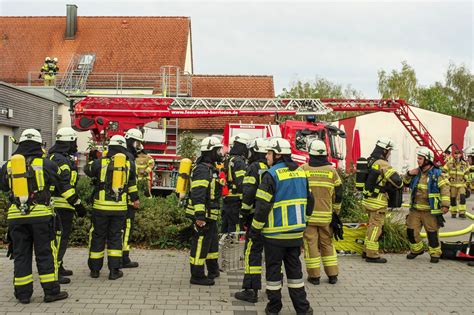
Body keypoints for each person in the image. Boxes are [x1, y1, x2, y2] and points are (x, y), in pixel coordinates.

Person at [0, 129, 70, 304]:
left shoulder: (8, 165)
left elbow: (4, 188)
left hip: (16, 216)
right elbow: (60, 185)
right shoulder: (47, 164)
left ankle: (23, 294)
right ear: (39, 145)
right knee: (45, 254)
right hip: (41, 216)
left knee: (21, 255)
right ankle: (51, 292)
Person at [250, 137, 313, 315]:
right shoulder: (301, 173)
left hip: (274, 236)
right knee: (295, 273)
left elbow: (262, 206)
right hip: (295, 235)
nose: (266, 157)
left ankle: (273, 308)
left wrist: (255, 229)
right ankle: (303, 308)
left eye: (269, 153)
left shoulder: (271, 175)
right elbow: (310, 201)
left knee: (273, 274)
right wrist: (304, 222)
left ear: (277, 155)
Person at [85, 135, 139, 280]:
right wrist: (135, 199)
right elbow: (132, 185)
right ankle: (114, 271)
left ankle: (95, 270)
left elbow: (87, 170)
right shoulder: (129, 164)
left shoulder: (100, 163)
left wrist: (92, 158)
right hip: (120, 208)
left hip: (100, 208)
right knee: (116, 237)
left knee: (98, 237)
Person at [301, 139, 343, 285]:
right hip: (326, 216)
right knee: (327, 244)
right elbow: (339, 192)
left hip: (309, 216)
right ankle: (332, 275)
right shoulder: (332, 171)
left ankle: (314, 277)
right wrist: (335, 211)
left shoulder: (303, 169)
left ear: (310, 153)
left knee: (311, 244)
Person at [48, 127, 86, 284]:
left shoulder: (53, 157)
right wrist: (77, 204)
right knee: (60, 239)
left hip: (56, 205)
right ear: (69, 142)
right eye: (74, 142)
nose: (75, 145)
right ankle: (55, 271)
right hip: (62, 206)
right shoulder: (62, 160)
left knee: (57, 239)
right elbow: (65, 185)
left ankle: (59, 265)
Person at [186, 136, 224, 285]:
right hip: (203, 215)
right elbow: (198, 194)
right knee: (201, 244)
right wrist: (199, 216)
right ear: (210, 151)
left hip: (210, 215)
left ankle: (213, 269)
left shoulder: (210, 168)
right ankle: (197, 275)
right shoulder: (202, 170)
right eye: (217, 150)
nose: (219, 153)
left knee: (212, 243)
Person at [234, 138, 268, 303]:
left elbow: (248, 194)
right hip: (274, 221)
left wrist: (243, 214)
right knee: (273, 256)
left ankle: (251, 290)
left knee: (252, 252)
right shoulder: (273, 167)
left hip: (256, 218)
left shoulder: (254, 168)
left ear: (254, 151)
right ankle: (273, 288)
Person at [403, 147, 450, 263]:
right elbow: (404, 183)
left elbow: (445, 189)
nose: (418, 161)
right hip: (415, 210)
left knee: (432, 234)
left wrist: (445, 205)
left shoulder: (437, 174)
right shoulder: (416, 173)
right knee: (410, 231)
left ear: (427, 160)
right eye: (417, 158)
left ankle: (435, 253)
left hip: (430, 210)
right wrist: (409, 173)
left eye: (420, 158)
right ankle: (417, 250)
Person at [361, 137, 403, 263]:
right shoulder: (382, 163)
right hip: (378, 202)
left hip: (369, 200)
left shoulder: (370, 160)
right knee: (376, 228)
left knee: (370, 226)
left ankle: (366, 250)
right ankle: (372, 255)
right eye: (389, 151)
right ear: (385, 151)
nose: (390, 153)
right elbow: (397, 181)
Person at [122, 128, 144, 268]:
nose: (140, 147)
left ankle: (118, 257)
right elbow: (131, 182)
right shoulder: (128, 157)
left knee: (120, 230)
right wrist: (135, 198)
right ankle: (124, 259)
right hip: (127, 202)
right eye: (138, 143)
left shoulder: (122, 155)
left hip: (118, 201)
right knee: (126, 229)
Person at [222, 133, 250, 234]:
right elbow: (241, 183)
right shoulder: (239, 161)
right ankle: (235, 248)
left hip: (228, 198)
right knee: (236, 228)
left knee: (226, 226)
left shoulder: (229, 159)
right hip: (236, 200)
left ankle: (225, 248)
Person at [443, 149, 469, 218]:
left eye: (458, 154)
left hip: (461, 185)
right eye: (455, 154)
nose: (457, 155)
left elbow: (467, 173)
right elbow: (444, 172)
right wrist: (448, 178)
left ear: (460, 155)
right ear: (453, 155)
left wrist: (465, 179)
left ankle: (462, 213)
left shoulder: (464, 164)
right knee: (453, 199)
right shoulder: (449, 163)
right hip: (452, 185)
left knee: (462, 198)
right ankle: (453, 212)